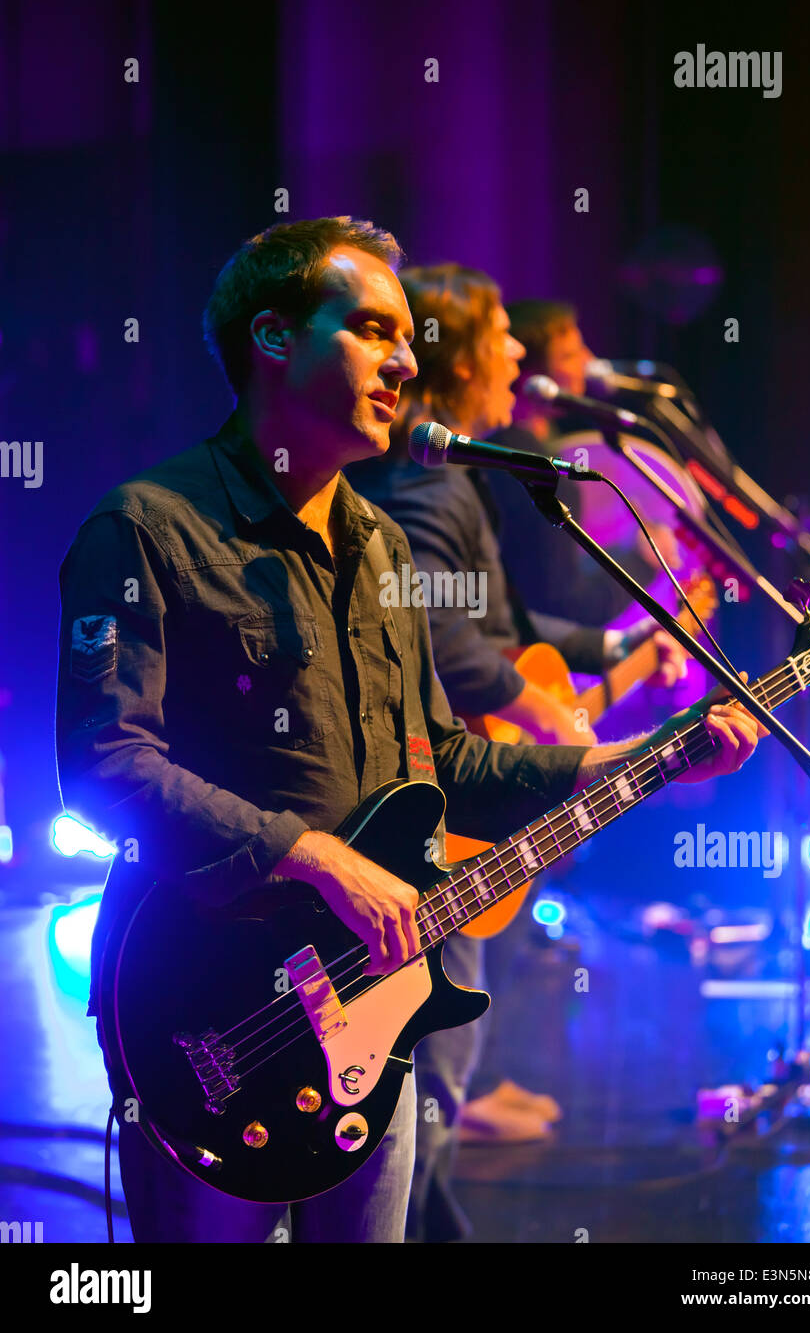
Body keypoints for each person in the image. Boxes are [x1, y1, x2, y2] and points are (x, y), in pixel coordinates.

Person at [56, 218, 765, 1244]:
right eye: (372, 331)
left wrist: (638, 760)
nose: (404, 361)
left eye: (408, 339)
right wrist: (316, 862)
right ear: (272, 338)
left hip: (372, 1016)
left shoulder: (381, 545)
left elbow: (445, 764)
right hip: (202, 1015)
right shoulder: (148, 527)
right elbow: (104, 766)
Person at [343, 265, 702, 1239]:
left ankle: (431, 1209)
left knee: (437, 1063)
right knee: (427, 1062)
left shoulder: (453, 475)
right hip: (439, 809)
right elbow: (434, 631)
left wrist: (612, 650)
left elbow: (497, 623)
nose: (515, 351)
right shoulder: (422, 482)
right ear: (457, 357)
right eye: (500, 333)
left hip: (459, 785)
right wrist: (542, 714)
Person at [485, 298, 683, 627]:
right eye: (570, 355)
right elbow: (561, 604)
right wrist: (642, 560)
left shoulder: (537, 441)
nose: (588, 362)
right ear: (530, 376)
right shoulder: (527, 465)